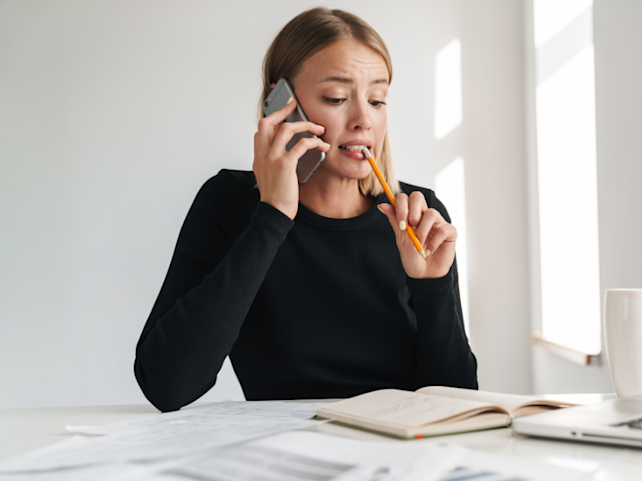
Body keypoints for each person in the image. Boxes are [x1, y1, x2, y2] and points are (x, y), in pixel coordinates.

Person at [134, 7, 477, 412]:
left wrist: (432, 286)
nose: (363, 119)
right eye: (336, 97)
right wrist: (273, 216)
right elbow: (166, 385)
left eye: (378, 99)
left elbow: (456, 403)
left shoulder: (418, 214)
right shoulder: (230, 203)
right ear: (282, 106)